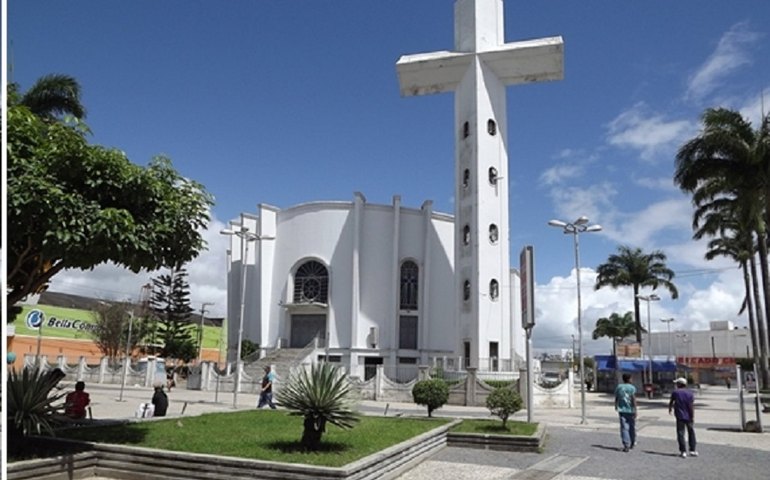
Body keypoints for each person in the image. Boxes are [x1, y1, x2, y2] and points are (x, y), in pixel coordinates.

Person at [669, 377, 697, 458]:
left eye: (677, 383)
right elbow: (691, 406)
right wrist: (692, 416)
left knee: (680, 433)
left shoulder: (675, 392)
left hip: (679, 415)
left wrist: (670, 409)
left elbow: (671, 401)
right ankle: (692, 450)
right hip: (688, 415)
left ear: (679, 384)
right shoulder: (690, 393)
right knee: (691, 432)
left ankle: (683, 451)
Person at [614, 373, 637, 452]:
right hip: (630, 410)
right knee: (632, 427)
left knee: (624, 428)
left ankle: (626, 444)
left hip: (622, 410)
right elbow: (633, 399)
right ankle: (632, 441)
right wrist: (635, 409)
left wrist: (616, 405)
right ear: (629, 379)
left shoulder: (619, 387)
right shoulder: (632, 388)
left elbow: (617, 397)